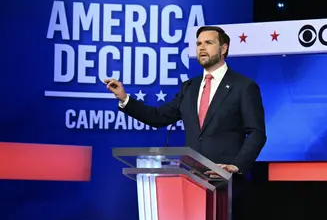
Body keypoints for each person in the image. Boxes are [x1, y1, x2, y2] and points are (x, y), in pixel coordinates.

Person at [104, 25, 267, 176]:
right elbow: (158, 117)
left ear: (223, 48)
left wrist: (236, 166)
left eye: (208, 43)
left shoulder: (243, 86)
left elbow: (257, 133)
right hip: (192, 177)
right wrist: (125, 98)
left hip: (227, 180)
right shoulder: (189, 87)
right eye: (198, 44)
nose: (202, 48)